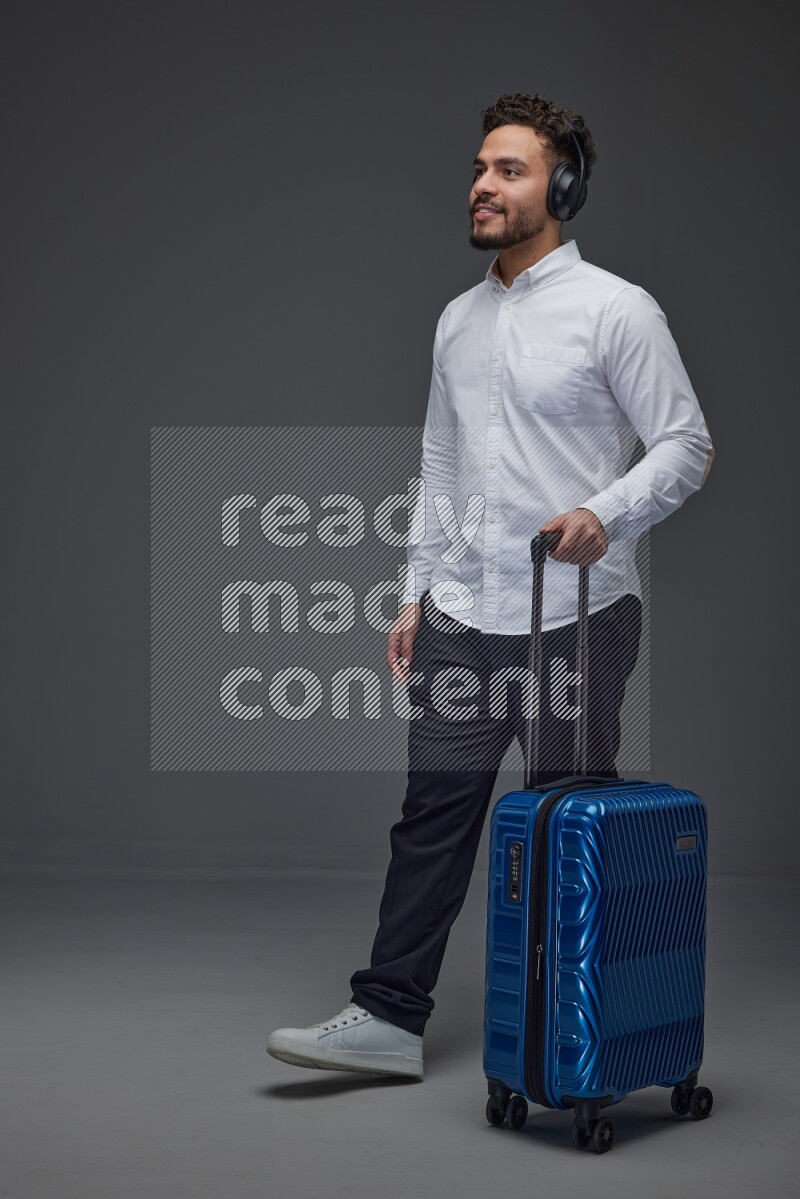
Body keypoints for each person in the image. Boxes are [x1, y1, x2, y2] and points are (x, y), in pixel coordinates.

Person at [267, 92, 714, 1079]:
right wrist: (415, 587)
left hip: (573, 619)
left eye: (507, 171)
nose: (481, 185)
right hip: (463, 617)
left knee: (562, 822)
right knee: (431, 816)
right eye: (479, 168)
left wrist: (609, 511)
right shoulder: (456, 320)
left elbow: (685, 443)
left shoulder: (615, 310)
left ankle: (567, 1034)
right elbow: (439, 455)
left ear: (560, 188)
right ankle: (387, 1016)